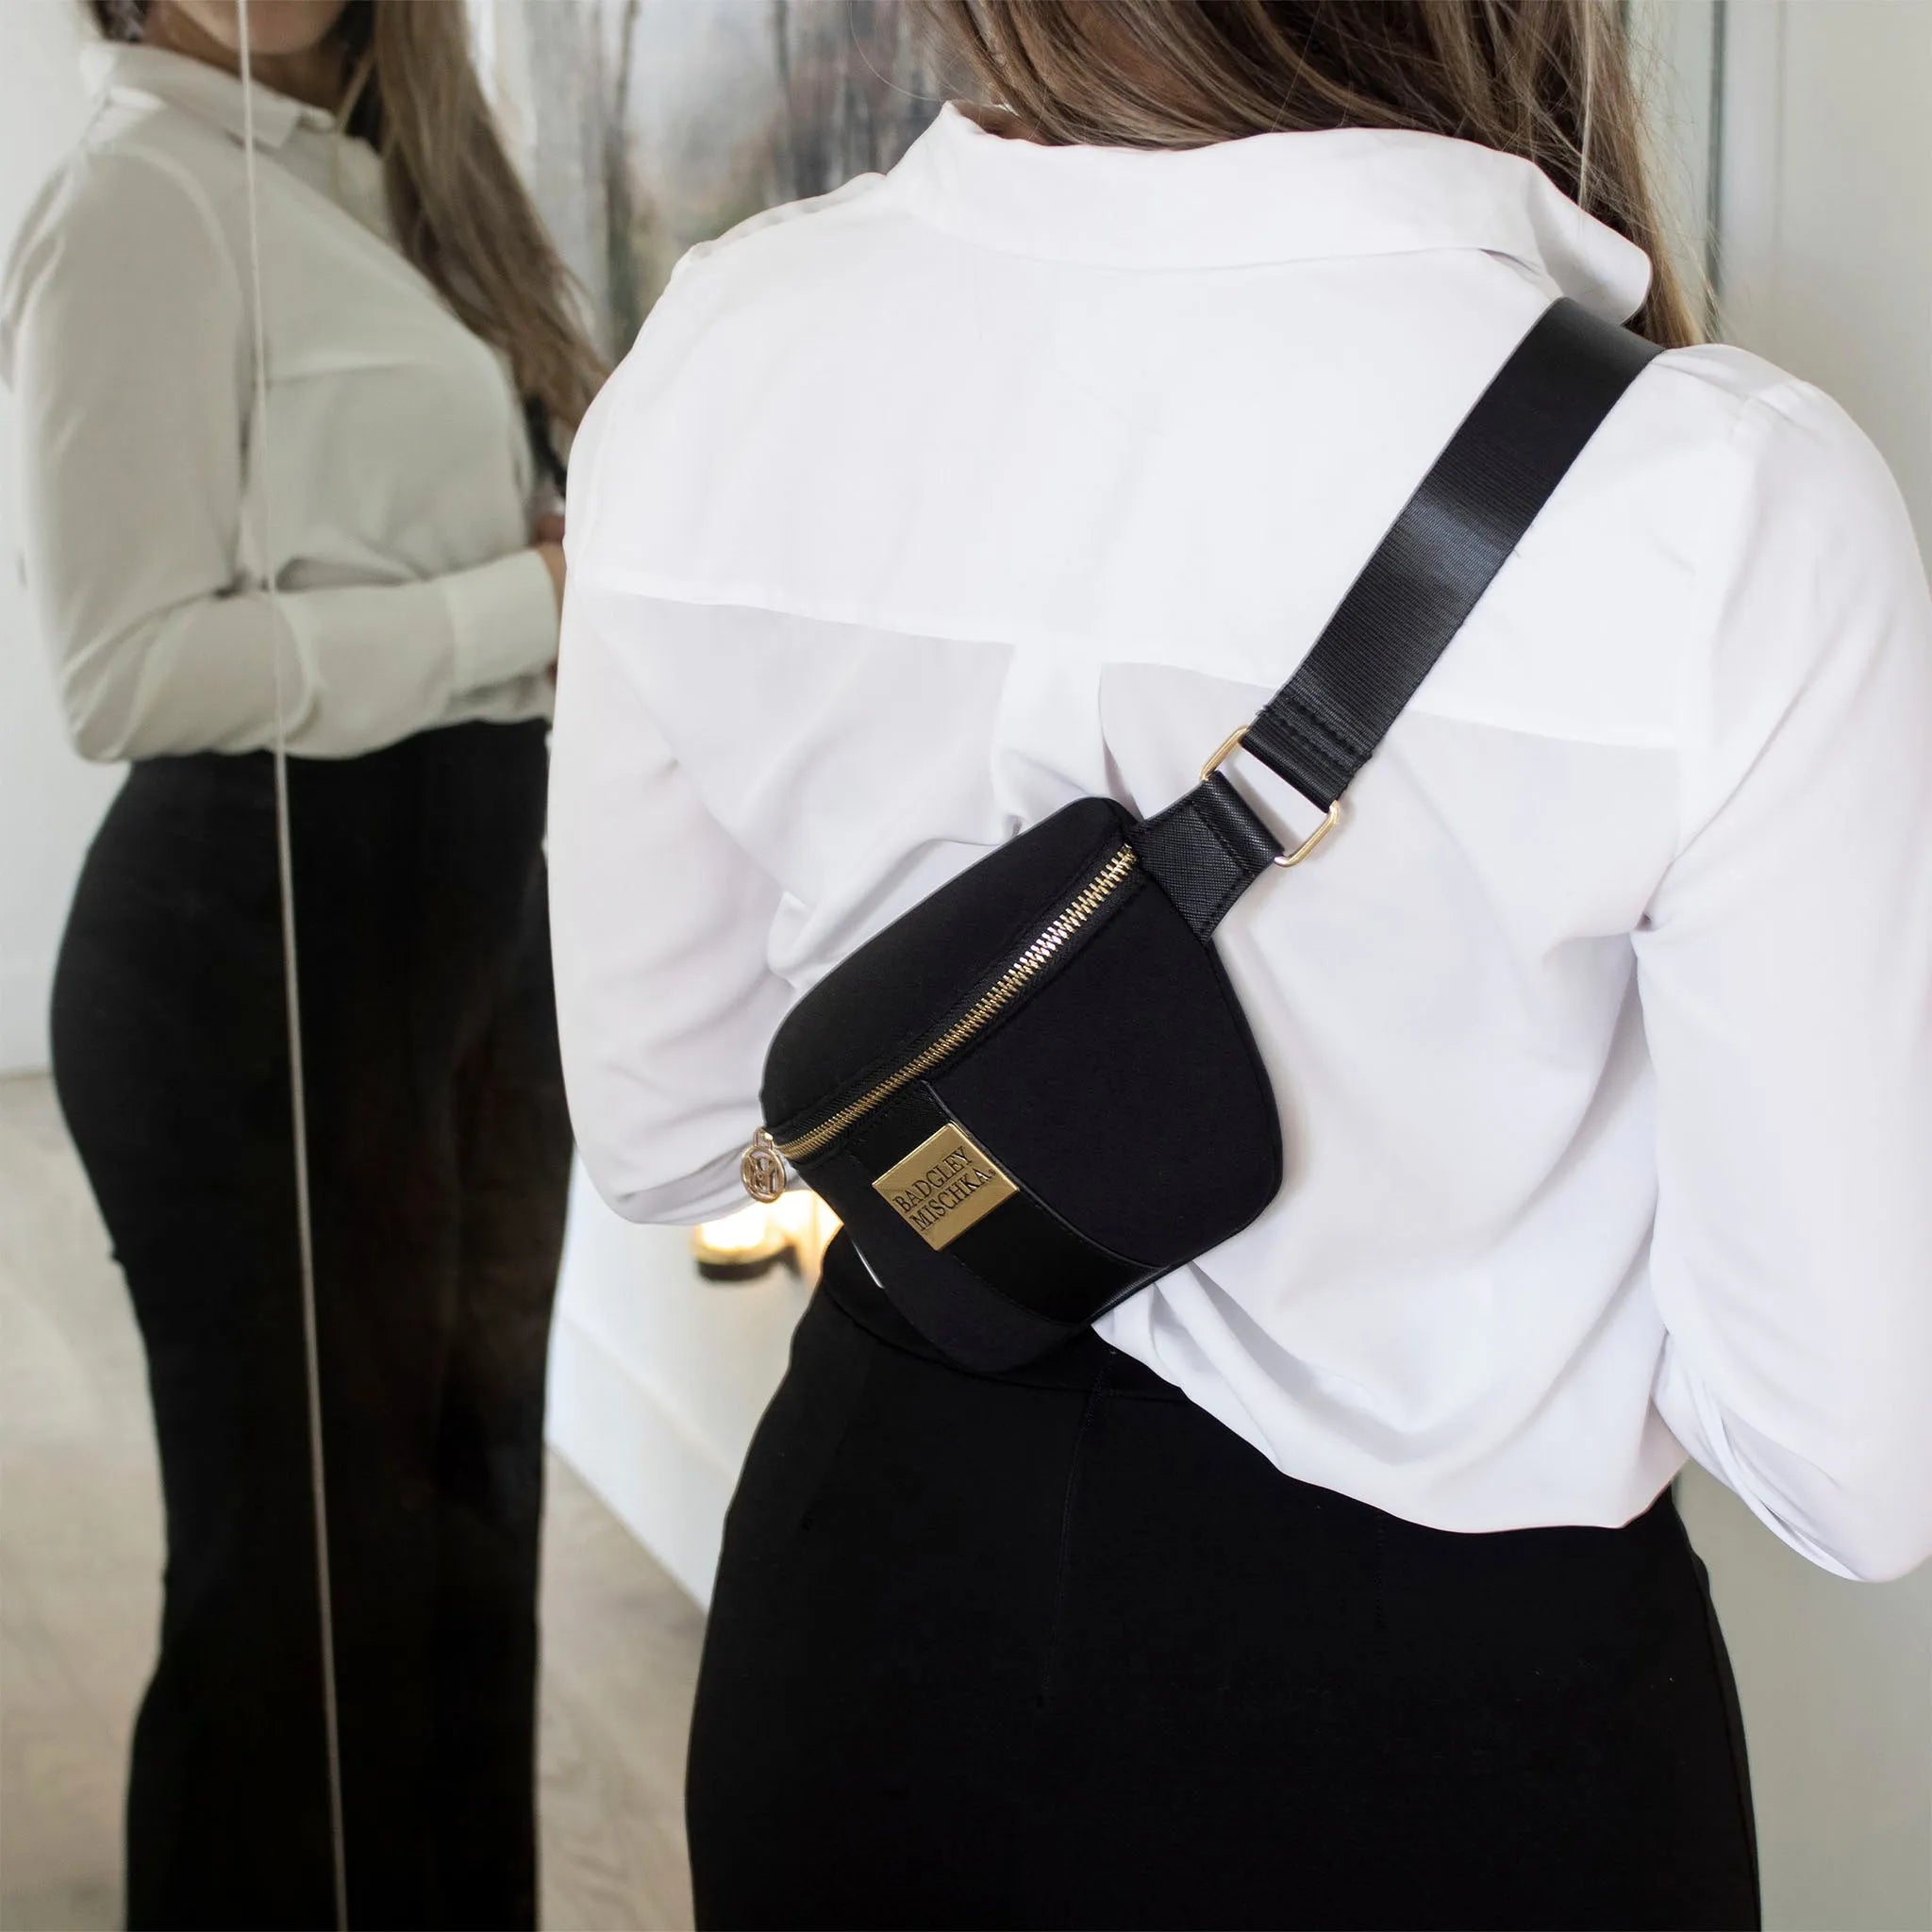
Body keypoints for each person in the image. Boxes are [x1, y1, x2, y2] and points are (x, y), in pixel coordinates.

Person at [547, 2, 1932, 1925]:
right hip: (1454, 1728)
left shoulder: (721, 352)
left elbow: (668, 1134)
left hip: (877, 1613)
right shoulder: (1724, 498)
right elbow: (1847, 1470)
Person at [1, 1, 602, 1924]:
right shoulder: (138, 202)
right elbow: (127, 672)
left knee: (469, 1502)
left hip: (472, 918)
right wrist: (521, 599)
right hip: (247, 954)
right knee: (298, 1569)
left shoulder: (399, 178)